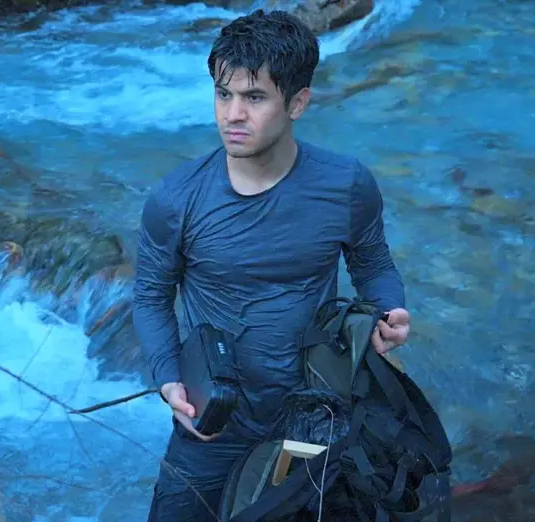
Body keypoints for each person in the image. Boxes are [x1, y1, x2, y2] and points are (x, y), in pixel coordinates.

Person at [132, 9, 411, 522]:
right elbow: (151, 297)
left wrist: (390, 309)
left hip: (311, 416)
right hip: (212, 420)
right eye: (224, 95)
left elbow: (373, 265)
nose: (233, 114)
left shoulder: (346, 186)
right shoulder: (175, 201)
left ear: (298, 102)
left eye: (255, 97)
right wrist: (170, 381)